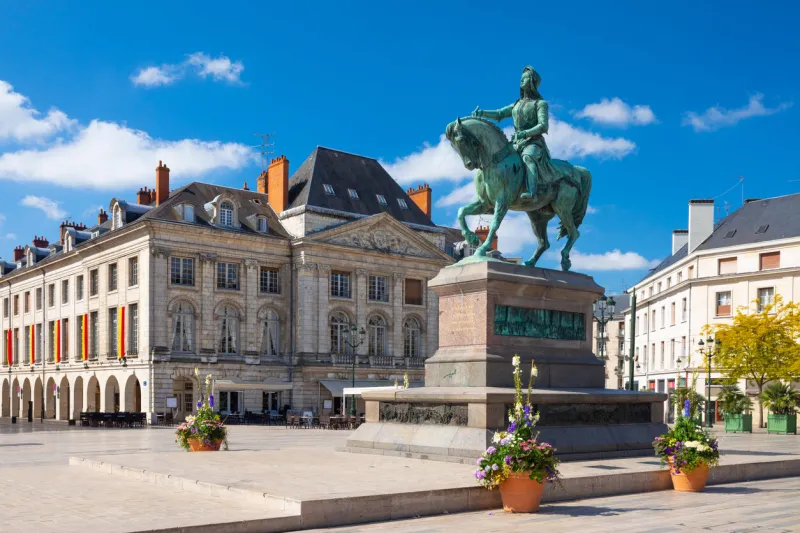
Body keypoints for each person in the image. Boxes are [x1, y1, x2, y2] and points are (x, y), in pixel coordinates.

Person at [472, 66, 557, 201]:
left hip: (534, 142)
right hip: (517, 143)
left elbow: (543, 126)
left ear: (533, 83)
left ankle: (531, 192)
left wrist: (525, 133)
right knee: (498, 158)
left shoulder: (540, 104)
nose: (522, 81)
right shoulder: (516, 104)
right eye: (521, 79)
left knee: (528, 158)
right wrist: (483, 113)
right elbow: (500, 113)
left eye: (526, 78)